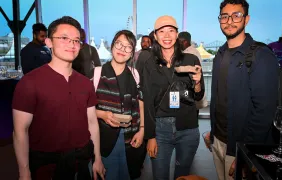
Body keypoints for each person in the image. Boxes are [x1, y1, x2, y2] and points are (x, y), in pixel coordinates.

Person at [12, 16, 105, 180]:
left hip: (81, 164)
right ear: (48, 42)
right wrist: (24, 172)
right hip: (46, 168)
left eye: (76, 40)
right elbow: (20, 131)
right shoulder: (30, 82)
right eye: (64, 38)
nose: (72, 44)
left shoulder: (85, 83)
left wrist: (97, 158)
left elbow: (92, 122)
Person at [208, 0, 278, 180]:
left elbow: (264, 112)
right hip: (219, 142)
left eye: (236, 15)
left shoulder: (261, 56)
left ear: (246, 19)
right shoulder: (220, 55)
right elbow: (219, 99)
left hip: (241, 147)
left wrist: (247, 154)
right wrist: (213, 133)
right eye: (224, 16)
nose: (229, 21)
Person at [141, 15, 205, 180]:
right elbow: (147, 102)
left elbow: (199, 95)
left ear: (177, 34)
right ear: (155, 36)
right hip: (160, 129)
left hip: (188, 128)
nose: (167, 36)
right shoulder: (149, 64)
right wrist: (151, 136)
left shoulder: (191, 59)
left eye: (171, 31)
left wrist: (197, 83)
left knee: (183, 176)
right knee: (160, 175)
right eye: (162, 31)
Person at [93, 30, 145, 180]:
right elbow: (85, 108)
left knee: (129, 175)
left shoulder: (135, 74)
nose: (122, 49)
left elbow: (141, 103)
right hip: (105, 139)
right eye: (119, 44)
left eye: (128, 46)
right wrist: (102, 114)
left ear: (132, 52)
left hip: (131, 138)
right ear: (112, 46)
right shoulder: (97, 73)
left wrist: (142, 131)